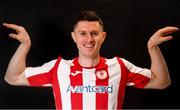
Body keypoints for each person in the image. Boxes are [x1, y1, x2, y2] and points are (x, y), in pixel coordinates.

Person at [3, 10, 179, 109]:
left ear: (103, 36)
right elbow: (13, 77)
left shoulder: (119, 66)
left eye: (94, 33)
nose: (89, 39)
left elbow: (161, 82)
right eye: (83, 34)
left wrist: (153, 48)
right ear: (74, 37)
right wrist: (24, 45)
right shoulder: (57, 68)